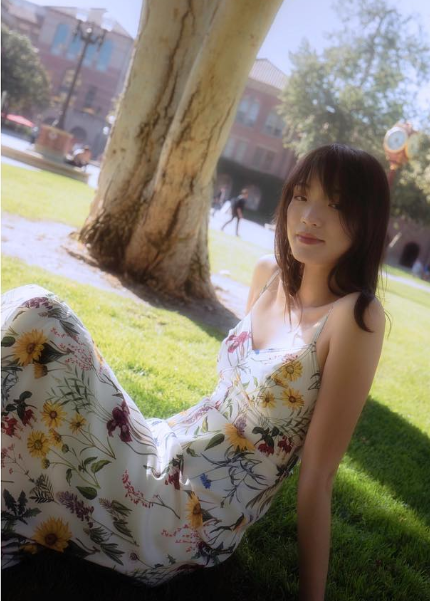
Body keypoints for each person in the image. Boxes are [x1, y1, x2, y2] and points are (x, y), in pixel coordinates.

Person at [1, 143, 390, 598]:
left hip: (188, 514)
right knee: (29, 329)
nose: (309, 216)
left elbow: (319, 477)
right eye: (302, 196)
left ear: (367, 222)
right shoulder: (268, 275)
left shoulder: (354, 317)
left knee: (40, 313)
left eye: (336, 204)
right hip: (162, 446)